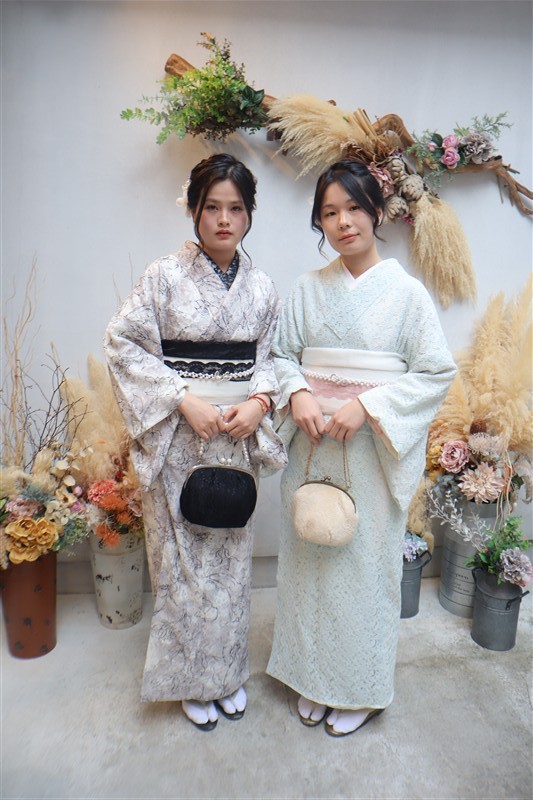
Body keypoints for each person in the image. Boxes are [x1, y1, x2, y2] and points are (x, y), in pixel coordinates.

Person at [266, 160, 456, 737]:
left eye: (353, 208)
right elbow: (280, 356)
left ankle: (358, 688)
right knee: (309, 559)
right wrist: (298, 391)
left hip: (371, 454)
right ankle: (309, 676)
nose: (343, 222)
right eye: (329, 213)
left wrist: (369, 405)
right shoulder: (307, 289)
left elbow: (435, 372)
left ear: (376, 211)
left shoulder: (408, 295)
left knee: (363, 570)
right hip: (313, 446)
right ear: (319, 223)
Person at [104, 153, 286, 731]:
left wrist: (259, 403)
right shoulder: (163, 277)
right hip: (179, 438)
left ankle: (226, 675)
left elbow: (270, 359)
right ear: (193, 210)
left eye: (236, 208)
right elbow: (123, 344)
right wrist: (182, 398)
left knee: (229, 564)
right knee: (181, 567)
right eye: (212, 207)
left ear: (250, 214)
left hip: (234, 436)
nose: (224, 220)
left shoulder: (262, 287)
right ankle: (190, 681)